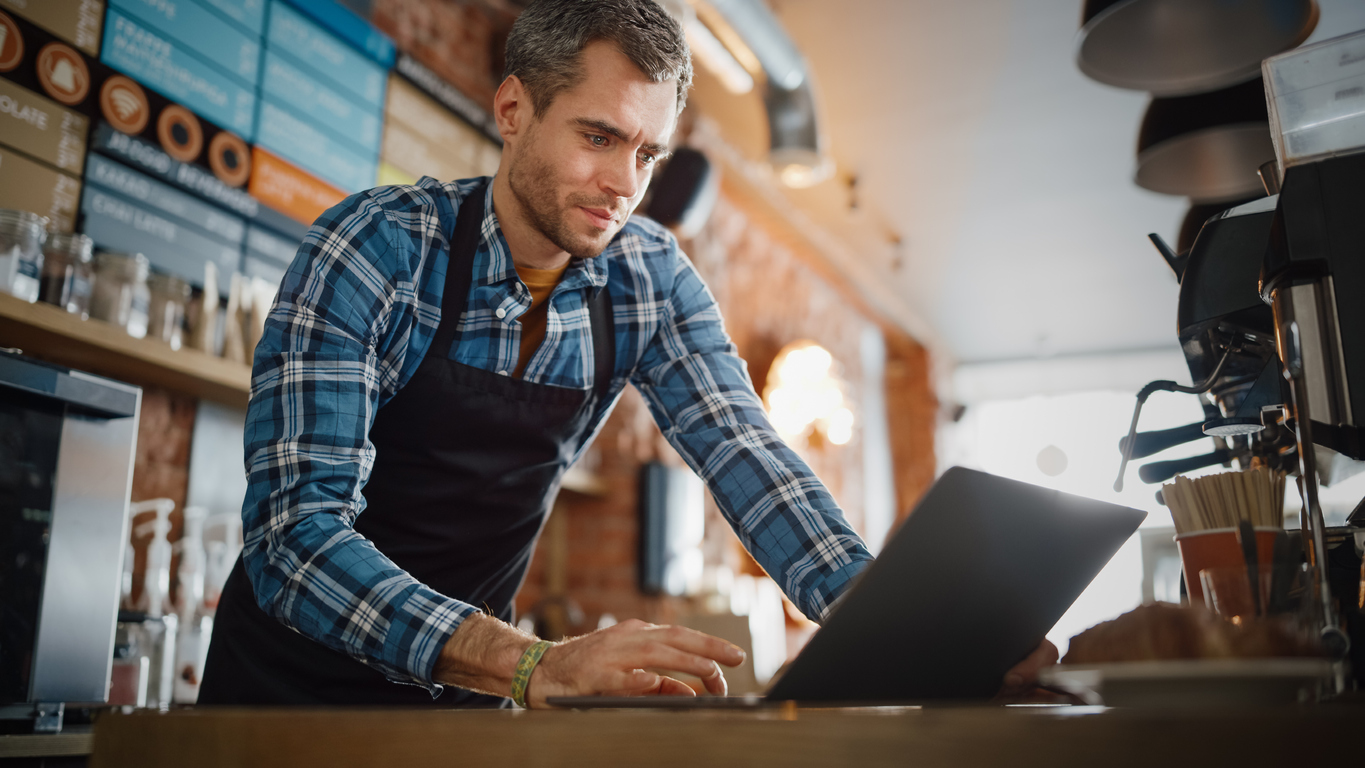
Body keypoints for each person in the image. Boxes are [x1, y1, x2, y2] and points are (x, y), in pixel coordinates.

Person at [199, 0, 1054, 708]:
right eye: (599, 137)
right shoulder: (376, 248)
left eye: (646, 153)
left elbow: (749, 458)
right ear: (512, 110)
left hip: (458, 709)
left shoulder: (646, 279)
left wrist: (919, 634)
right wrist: (532, 663)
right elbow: (294, 540)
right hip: (281, 696)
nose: (624, 185)